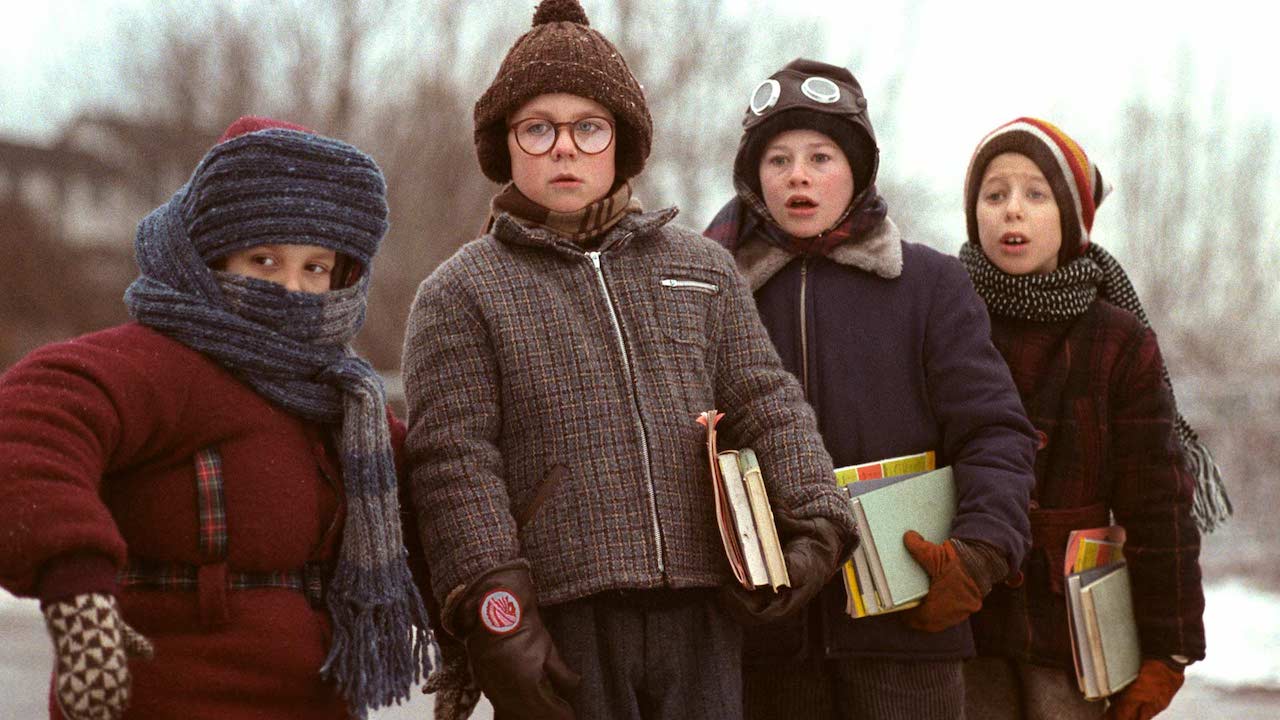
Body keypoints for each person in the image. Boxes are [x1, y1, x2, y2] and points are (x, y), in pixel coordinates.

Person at [400, 3, 857, 719]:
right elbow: (453, 460)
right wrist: (497, 606)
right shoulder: (460, 291)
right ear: (505, 143)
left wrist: (818, 522)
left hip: (705, 610)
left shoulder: (701, 267)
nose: (563, 148)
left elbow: (767, 401)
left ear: (622, 141)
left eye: (588, 126)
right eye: (538, 127)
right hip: (561, 617)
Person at [0, 116, 434, 720]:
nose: (292, 290)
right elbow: (29, 430)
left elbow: (438, 510)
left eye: (314, 268)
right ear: (213, 259)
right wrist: (77, 594)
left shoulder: (346, 402)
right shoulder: (157, 363)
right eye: (264, 260)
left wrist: (481, 628)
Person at [703, 58, 1038, 720]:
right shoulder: (710, 294)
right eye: (777, 160)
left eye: (821, 156)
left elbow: (995, 432)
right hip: (765, 645)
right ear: (753, 178)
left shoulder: (929, 285)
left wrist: (978, 554)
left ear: (857, 170)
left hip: (909, 635)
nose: (798, 174)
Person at [957, 117, 1210, 720]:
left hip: (1077, 633)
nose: (1012, 211)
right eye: (995, 195)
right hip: (964, 621)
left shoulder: (1117, 339)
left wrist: (1168, 647)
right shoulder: (945, 317)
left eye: (1035, 194)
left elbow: (1158, 497)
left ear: (1071, 219)